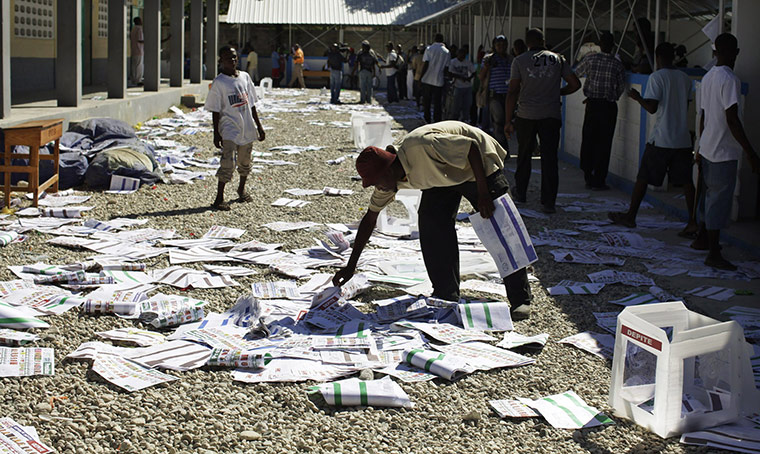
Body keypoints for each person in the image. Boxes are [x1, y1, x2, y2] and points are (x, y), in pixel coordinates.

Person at [331, 121, 532, 318]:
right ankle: (446, 293)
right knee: (431, 224)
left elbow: (470, 148)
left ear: (389, 170)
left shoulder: (421, 146)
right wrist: (351, 266)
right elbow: (370, 219)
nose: (378, 187)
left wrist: (483, 193)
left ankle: (520, 299)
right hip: (442, 174)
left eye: (376, 182)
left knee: (501, 226)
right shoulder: (388, 181)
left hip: (477, 164)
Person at [608, 42, 697, 236]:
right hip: (682, 138)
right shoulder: (684, 78)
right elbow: (686, 105)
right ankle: (693, 221)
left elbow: (652, 108)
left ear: (657, 58)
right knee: (686, 181)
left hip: (661, 138)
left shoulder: (657, 77)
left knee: (643, 177)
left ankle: (631, 216)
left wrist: (638, 98)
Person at [690, 33, 760, 270]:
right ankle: (713, 251)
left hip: (709, 145)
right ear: (736, 52)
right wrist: (750, 151)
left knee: (707, 197)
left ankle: (702, 238)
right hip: (723, 149)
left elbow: (703, 116)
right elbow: (731, 118)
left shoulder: (708, 77)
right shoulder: (730, 79)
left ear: (714, 52)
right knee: (718, 202)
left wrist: (699, 146)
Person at [505, 28, 581, 213]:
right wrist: (558, 93)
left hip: (526, 115)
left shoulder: (520, 60)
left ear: (527, 42)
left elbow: (513, 90)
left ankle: (521, 193)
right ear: (543, 41)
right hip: (550, 115)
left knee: (524, 156)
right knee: (549, 158)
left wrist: (508, 120)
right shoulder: (558, 59)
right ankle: (548, 202)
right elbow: (575, 84)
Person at [205, 46, 266, 211]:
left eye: (234, 57)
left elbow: (251, 104)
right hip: (229, 128)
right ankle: (219, 197)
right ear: (221, 61)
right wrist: (216, 133)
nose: (231, 61)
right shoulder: (219, 82)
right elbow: (215, 110)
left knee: (245, 161)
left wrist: (259, 127)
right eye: (227, 58)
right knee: (227, 162)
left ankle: (241, 189)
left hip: (246, 127)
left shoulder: (245, 77)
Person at [575, 32, 626, 190]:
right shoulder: (617, 64)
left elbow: (576, 73)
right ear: (613, 46)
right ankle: (599, 179)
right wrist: (612, 96)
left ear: (599, 44)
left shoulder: (590, 59)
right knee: (604, 143)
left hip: (592, 105)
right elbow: (621, 87)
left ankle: (587, 175)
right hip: (608, 106)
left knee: (589, 139)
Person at [479, 35, 512, 151]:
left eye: (503, 45)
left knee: (508, 123)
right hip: (495, 95)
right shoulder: (489, 59)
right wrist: (487, 67)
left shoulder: (510, 59)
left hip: (509, 95)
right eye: (498, 45)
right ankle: (502, 149)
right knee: (498, 123)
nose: (501, 47)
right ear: (494, 46)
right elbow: (481, 76)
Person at [421, 34, 450, 123]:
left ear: (434, 39)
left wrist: (421, 77)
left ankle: (427, 118)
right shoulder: (447, 52)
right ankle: (437, 119)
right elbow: (446, 68)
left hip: (427, 79)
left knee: (427, 101)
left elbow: (426, 63)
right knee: (438, 102)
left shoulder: (429, 49)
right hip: (439, 80)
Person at [446, 47, 474, 122]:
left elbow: (473, 71)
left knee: (467, 105)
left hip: (467, 86)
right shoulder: (453, 62)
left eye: (463, 54)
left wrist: (469, 78)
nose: (462, 56)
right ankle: (455, 119)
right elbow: (450, 73)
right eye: (460, 54)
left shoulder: (467, 62)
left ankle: (465, 119)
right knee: (456, 105)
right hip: (457, 86)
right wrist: (460, 77)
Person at [410, 44, 425, 109]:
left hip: (417, 76)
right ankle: (423, 105)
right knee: (424, 93)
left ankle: (418, 104)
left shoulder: (416, 57)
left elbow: (414, 68)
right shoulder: (427, 57)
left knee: (417, 93)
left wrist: (414, 76)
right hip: (425, 78)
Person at [130, 17, 144, 86]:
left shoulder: (133, 29)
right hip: (139, 50)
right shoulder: (139, 29)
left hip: (134, 49)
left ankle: (134, 80)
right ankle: (138, 80)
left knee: (134, 66)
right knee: (139, 66)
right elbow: (140, 39)